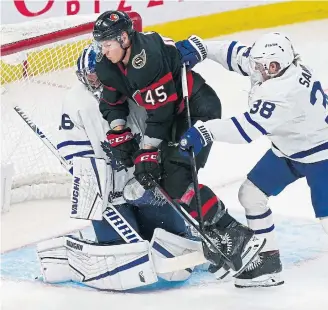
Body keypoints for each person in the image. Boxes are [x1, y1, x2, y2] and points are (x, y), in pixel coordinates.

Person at [177, 32, 328, 302]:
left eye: (263, 66)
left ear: (276, 67)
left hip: (322, 154)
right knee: (251, 195)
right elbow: (235, 53)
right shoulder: (273, 67)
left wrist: (206, 130)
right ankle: (267, 264)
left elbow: (247, 130)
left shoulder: (284, 91)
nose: (257, 69)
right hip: (290, 147)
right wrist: (202, 47)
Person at [91, 10, 265, 275]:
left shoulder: (146, 59)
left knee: (177, 176)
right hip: (171, 117)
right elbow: (111, 102)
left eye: (107, 44)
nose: (103, 51)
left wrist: (147, 151)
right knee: (165, 180)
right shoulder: (108, 64)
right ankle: (217, 236)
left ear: (124, 38)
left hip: (195, 110)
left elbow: (161, 114)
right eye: (100, 45)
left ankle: (234, 233)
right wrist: (119, 132)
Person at [35, 44, 207, 291]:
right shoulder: (75, 100)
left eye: (99, 72)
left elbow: (160, 122)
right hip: (108, 190)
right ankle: (72, 258)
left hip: (142, 178)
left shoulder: (130, 87)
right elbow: (71, 147)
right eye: (91, 74)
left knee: (173, 239)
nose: (96, 79)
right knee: (120, 248)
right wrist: (88, 177)